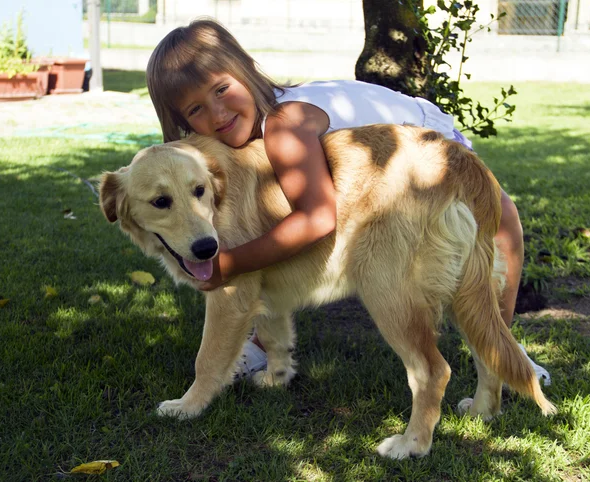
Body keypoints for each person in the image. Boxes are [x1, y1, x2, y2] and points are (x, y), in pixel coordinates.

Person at [146, 18, 551, 385]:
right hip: (387, 153)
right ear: (182, 123)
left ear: (246, 71)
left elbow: (316, 219)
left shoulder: (285, 127)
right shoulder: (252, 130)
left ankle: (501, 348)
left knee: (498, 224)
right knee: (268, 218)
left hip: (426, 146)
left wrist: (229, 265)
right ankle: (261, 343)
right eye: (196, 109)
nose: (217, 113)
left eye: (222, 89)